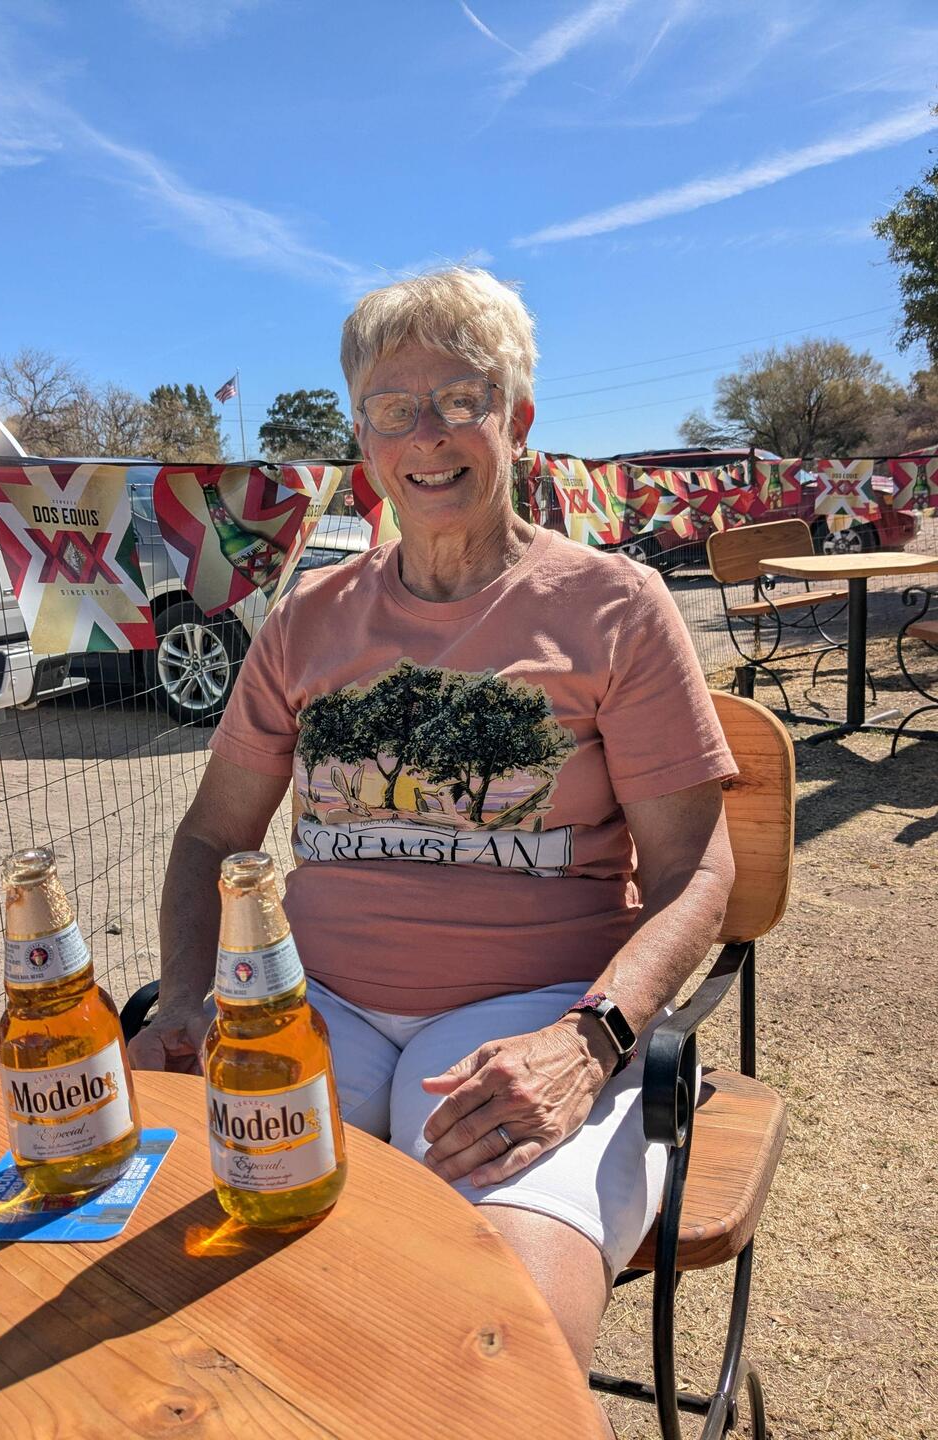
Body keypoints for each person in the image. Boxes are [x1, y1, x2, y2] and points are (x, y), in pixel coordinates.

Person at [129, 268, 736, 1431]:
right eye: (394, 407)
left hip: (540, 1009)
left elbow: (698, 877)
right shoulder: (309, 619)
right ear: (361, 439)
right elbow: (214, 830)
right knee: (186, 1274)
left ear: (517, 418)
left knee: (490, 1341)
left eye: (462, 397)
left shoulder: (615, 606)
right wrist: (192, 996)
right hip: (314, 1008)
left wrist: (589, 1040)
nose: (430, 434)